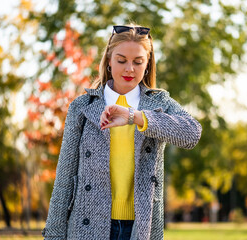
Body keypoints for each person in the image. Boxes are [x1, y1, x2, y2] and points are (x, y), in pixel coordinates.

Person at [42, 24, 202, 240]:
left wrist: (136, 117)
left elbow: (192, 133)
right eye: (121, 60)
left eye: (138, 62)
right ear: (108, 60)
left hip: (140, 227)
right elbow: (64, 178)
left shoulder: (158, 103)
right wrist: (52, 236)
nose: (129, 69)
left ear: (147, 64)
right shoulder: (82, 107)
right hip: (86, 225)